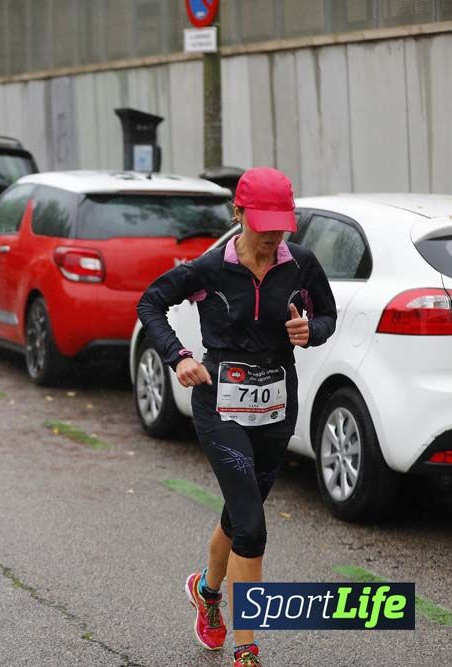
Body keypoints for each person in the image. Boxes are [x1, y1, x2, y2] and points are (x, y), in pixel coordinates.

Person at [136, 168, 337, 667]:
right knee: (252, 525)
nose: (273, 235)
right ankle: (247, 648)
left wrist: (310, 331)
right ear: (239, 214)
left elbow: (329, 316)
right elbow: (151, 303)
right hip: (219, 403)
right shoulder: (209, 269)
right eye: (263, 223)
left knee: (240, 510)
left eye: (281, 225)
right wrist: (180, 355)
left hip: (275, 406)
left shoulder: (302, 265)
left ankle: (206, 591)